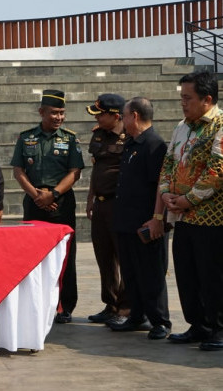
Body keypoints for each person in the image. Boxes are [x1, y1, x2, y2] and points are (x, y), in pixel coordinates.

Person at [160, 71, 223, 351]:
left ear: (207, 100)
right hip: (183, 215)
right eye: (182, 97)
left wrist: (189, 199)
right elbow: (168, 162)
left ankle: (218, 329)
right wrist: (166, 193)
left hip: (211, 218)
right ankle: (197, 325)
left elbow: (217, 171)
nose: (183, 103)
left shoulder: (220, 125)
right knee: (187, 273)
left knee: (212, 276)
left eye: (188, 98)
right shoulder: (182, 127)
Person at [10, 89, 84, 324]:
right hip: (34, 203)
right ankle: (34, 303)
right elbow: (18, 170)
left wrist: (52, 194)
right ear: (41, 112)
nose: (58, 118)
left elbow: (75, 172)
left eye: (62, 113)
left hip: (60, 204)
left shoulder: (70, 138)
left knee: (65, 256)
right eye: (54, 113)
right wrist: (37, 196)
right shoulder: (26, 137)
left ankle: (65, 305)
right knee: (32, 255)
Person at [108, 97, 171, 339]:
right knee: (131, 273)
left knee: (151, 273)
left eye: (123, 116)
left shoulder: (154, 145)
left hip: (146, 222)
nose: (121, 120)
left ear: (134, 116)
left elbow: (160, 185)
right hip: (126, 220)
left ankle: (160, 321)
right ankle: (137, 315)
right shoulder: (132, 143)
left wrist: (157, 218)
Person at [85, 94, 130, 324]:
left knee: (124, 256)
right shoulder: (99, 134)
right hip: (101, 204)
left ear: (115, 116)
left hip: (119, 204)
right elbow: (97, 169)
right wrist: (90, 198)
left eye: (101, 114)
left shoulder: (130, 137)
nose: (97, 118)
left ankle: (125, 307)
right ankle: (110, 303)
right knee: (104, 256)